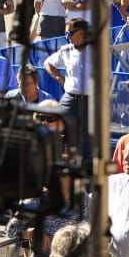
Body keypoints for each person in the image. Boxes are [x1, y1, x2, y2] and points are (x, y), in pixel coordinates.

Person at [43, 18, 94, 156]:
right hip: (70, 99)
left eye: (69, 33)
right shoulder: (66, 50)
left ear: (81, 32)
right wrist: (60, 78)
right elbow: (48, 63)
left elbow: (107, 77)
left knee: (89, 137)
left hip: (91, 100)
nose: (67, 37)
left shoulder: (96, 51)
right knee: (64, 133)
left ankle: (88, 168)